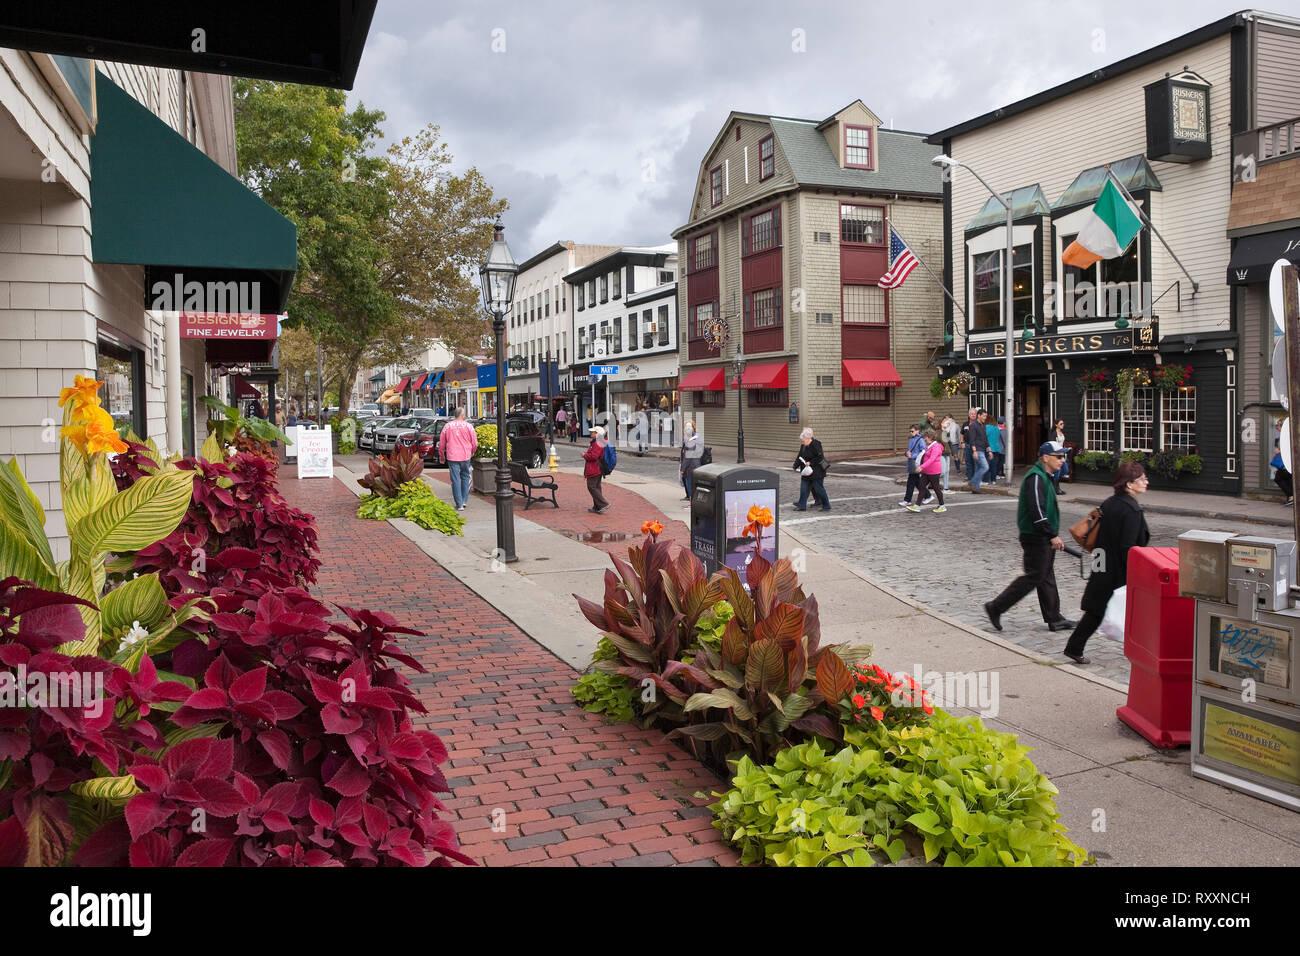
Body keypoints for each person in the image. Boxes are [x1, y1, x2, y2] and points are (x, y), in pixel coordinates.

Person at [1060, 461, 1150, 664]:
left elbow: (1101, 537)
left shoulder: (1110, 502)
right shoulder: (1132, 510)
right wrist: (1136, 574)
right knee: (1133, 612)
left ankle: (1074, 647)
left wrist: (1098, 566)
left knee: (1096, 610)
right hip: (1119, 570)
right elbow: (1128, 547)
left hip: (1102, 563)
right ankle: (1141, 653)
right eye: (1142, 479)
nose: (1146, 482)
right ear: (1129, 484)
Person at [983, 442, 1077, 635]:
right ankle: (996, 606)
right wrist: (1052, 535)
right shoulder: (1035, 478)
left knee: (1046, 575)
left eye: (1063, 456)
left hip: (1042, 535)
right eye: (1058, 456)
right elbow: (1037, 511)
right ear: (1045, 458)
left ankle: (1054, 617)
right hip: (1035, 536)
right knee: (1035, 576)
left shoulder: (1046, 476)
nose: (1062, 460)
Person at [438, 407, 478, 512]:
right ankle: (464, 500)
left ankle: (459, 503)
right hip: (465, 455)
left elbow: (441, 443)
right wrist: (472, 451)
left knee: (455, 479)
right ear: (463, 415)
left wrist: (441, 455)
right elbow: (474, 442)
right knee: (465, 476)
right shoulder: (469, 426)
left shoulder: (447, 426)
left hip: (452, 456)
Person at [906, 429, 946, 513]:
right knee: (921, 487)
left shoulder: (936, 447)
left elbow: (932, 459)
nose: (924, 439)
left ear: (930, 437)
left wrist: (921, 467)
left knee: (936, 488)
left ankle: (942, 505)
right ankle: (917, 505)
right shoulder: (929, 445)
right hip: (926, 471)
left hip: (934, 471)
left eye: (926, 437)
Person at [792, 427, 830, 512]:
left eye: (803, 440)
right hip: (806, 471)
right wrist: (795, 466)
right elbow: (799, 457)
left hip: (817, 471)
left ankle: (826, 505)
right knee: (804, 488)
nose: (802, 442)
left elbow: (820, 457)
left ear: (808, 439)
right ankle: (802, 506)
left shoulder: (816, 444)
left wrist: (810, 462)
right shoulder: (803, 446)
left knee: (819, 489)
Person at [583, 426, 611, 513]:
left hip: (595, 468)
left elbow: (594, 456)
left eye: (593, 432)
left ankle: (603, 504)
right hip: (597, 467)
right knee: (596, 487)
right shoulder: (598, 442)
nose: (591, 433)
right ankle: (597, 507)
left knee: (591, 486)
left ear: (597, 434)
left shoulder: (597, 443)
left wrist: (584, 455)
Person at [899, 425, 926, 507]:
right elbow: (909, 450)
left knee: (911, 481)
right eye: (910, 431)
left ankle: (907, 500)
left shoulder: (921, 440)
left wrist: (912, 456)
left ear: (918, 431)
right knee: (916, 481)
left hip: (916, 462)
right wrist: (906, 454)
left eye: (912, 431)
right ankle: (927, 495)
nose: (911, 433)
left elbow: (923, 452)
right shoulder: (911, 439)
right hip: (911, 462)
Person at [967, 409, 991, 492]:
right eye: (984, 416)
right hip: (977, 450)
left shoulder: (983, 425)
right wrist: (974, 451)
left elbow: (985, 438)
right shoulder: (973, 426)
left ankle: (975, 488)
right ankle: (973, 481)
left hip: (983, 449)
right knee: (985, 467)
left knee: (978, 469)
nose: (985, 418)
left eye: (986, 416)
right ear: (979, 415)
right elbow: (972, 440)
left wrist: (989, 450)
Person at [680, 420, 702, 501]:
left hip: (691, 465)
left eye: (689, 426)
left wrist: (682, 468)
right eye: (686, 426)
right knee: (687, 482)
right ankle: (689, 497)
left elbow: (688, 456)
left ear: (693, 428)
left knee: (689, 483)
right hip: (691, 464)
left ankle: (691, 500)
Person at [940, 414, 959, 492]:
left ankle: (946, 487)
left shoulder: (949, 431)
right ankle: (930, 481)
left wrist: (951, 450)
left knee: (946, 470)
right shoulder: (939, 431)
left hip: (947, 453)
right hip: (941, 454)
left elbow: (950, 442)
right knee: (942, 471)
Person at [1273, 439, 1294, 505]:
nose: (1277, 429)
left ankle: (1291, 496)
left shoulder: (1285, 435)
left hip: (1286, 465)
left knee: (1278, 478)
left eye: (1277, 427)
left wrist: (1279, 452)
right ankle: (1291, 498)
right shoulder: (1281, 437)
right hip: (1286, 465)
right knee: (1288, 480)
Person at [959, 407, 978, 482]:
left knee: (975, 461)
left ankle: (975, 477)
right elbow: (962, 434)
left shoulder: (978, 424)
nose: (973, 415)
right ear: (969, 415)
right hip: (967, 445)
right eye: (971, 414)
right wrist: (962, 442)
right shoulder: (965, 424)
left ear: (976, 415)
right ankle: (968, 476)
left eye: (974, 414)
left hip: (976, 446)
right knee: (968, 461)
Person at [986, 412, 1004, 485]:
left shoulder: (986, 427)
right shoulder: (996, 428)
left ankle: (986, 480)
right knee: (994, 465)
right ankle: (993, 480)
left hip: (989, 449)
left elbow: (984, 437)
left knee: (987, 465)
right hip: (996, 448)